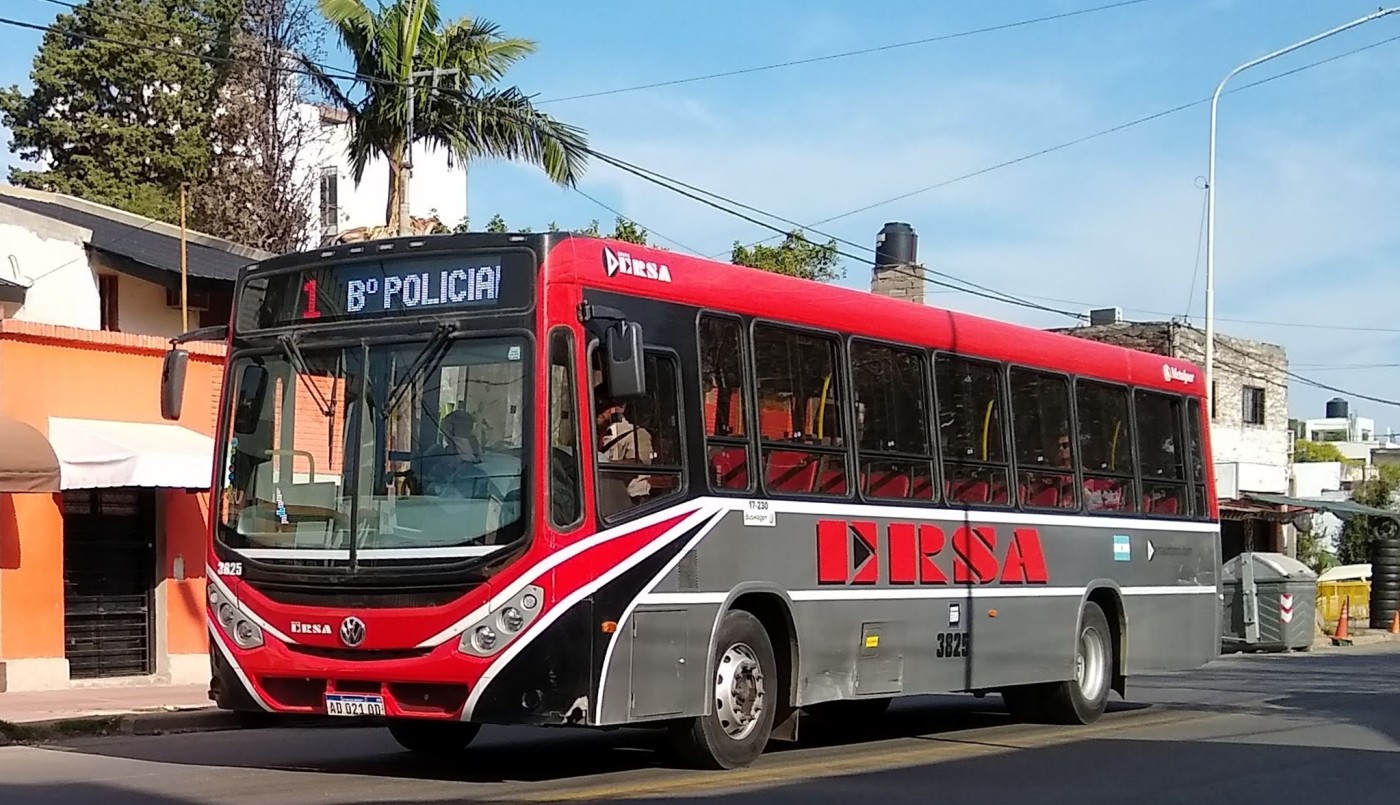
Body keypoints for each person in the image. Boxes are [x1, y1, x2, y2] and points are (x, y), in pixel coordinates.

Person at [594, 384, 654, 514]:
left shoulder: (637, 434)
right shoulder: (597, 434)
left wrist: (602, 464)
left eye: (602, 405)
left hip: (631, 504)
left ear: (618, 408)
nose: (597, 410)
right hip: (605, 499)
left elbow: (639, 465)